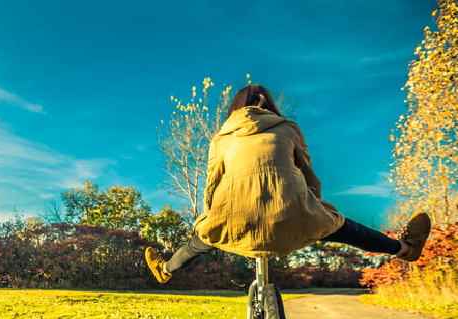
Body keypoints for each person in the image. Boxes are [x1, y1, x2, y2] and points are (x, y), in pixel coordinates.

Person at [146, 84, 431, 284]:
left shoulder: (221, 139)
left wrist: (211, 218)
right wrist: (317, 208)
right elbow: (310, 176)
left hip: (232, 221)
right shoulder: (288, 128)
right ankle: (406, 250)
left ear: (235, 109)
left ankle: (165, 270)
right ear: (269, 106)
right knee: (346, 227)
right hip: (293, 215)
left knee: (197, 243)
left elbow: (211, 186)